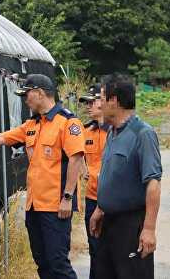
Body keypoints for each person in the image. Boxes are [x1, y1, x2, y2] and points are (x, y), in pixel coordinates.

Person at [0, 74, 85, 278]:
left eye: (27, 94)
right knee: (42, 263)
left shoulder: (67, 123)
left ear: (40, 93)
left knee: (58, 263)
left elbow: (76, 159)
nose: (24, 99)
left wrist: (68, 198)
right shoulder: (32, 125)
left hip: (55, 206)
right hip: (34, 206)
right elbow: (0, 138)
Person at [88, 74, 162, 279]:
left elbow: (153, 184)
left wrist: (149, 229)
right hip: (109, 223)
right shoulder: (112, 132)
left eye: (102, 97)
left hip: (131, 226)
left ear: (114, 100)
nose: (99, 103)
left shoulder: (143, 134)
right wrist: (100, 208)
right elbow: (114, 177)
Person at [78, 84, 110, 279]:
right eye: (86, 102)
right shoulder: (85, 131)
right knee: (95, 249)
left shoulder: (116, 130)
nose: (88, 106)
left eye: (92, 101)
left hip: (113, 200)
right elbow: (74, 152)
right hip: (92, 198)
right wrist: (83, 169)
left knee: (113, 251)